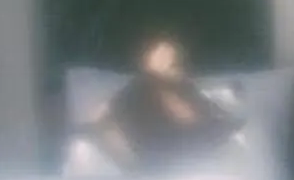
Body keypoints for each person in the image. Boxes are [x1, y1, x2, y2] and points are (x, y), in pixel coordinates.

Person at [90, 36, 244, 171]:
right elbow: (104, 120)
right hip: (154, 160)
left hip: (188, 159)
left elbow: (204, 118)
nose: (168, 64)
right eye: (162, 58)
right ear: (147, 61)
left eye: (172, 62)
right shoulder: (134, 91)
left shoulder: (184, 88)